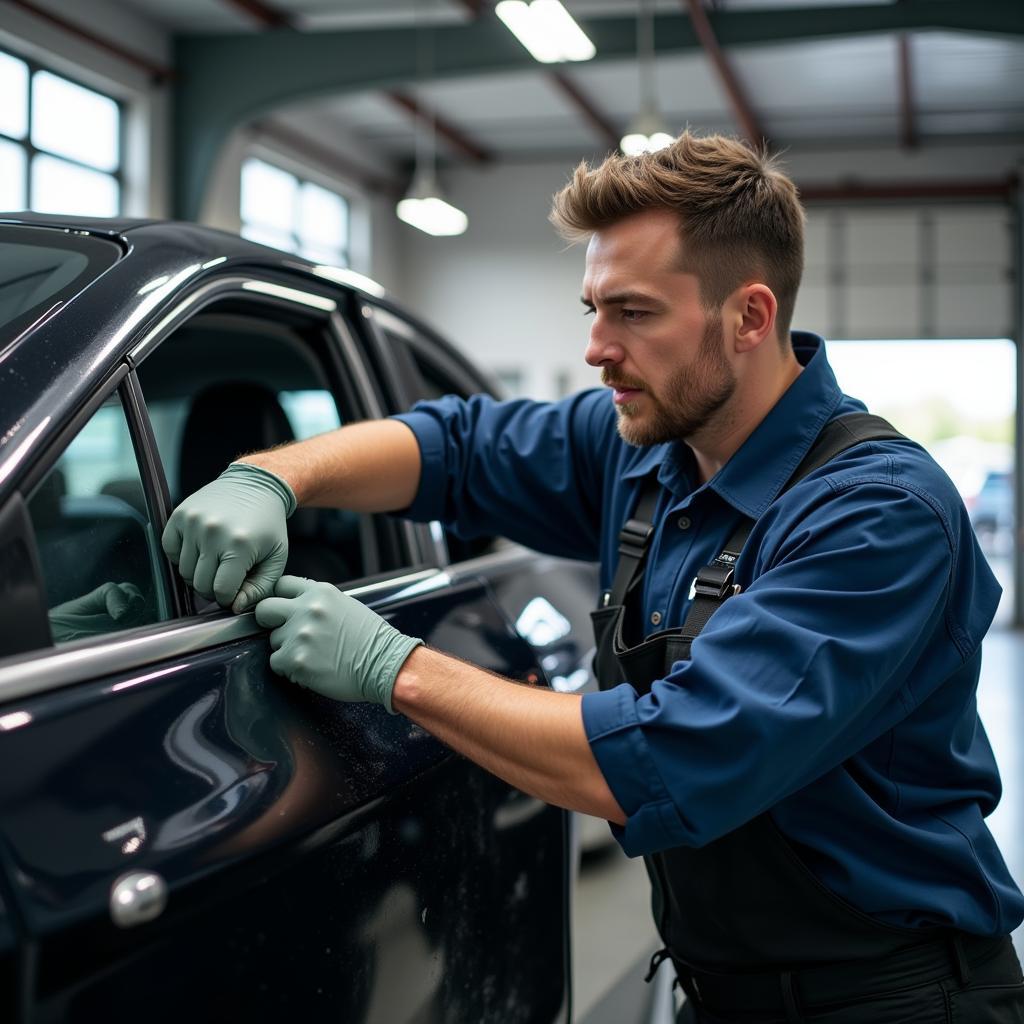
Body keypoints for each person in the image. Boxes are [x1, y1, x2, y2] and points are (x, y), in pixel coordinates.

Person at [162, 132, 1024, 1022]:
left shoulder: (875, 514)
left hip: (896, 1001)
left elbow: (665, 761)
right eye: (592, 311)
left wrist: (393, 668)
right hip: (719, 992)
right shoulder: (642, 449)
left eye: (636, 313)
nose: (598, 348)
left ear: (750, 317)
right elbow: (451, 448)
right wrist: (271, 476)